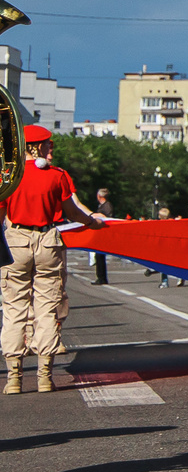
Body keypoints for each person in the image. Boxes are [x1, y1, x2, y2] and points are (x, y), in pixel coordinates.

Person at [3, 126, 108, 392]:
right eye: (48, 145)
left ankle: (14, 378)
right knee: (47, 308)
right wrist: (92, 222)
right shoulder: (57, 176)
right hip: (48, 242)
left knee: (14, 310)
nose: (51, 149)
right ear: (36, 147)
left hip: (15, 241)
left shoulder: (7, 175)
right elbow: (71, 211)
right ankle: (44, 376)